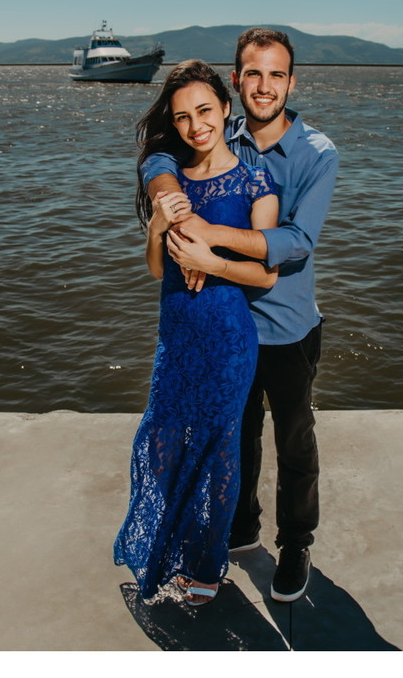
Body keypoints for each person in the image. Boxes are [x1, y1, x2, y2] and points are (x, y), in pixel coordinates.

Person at [140, 28, 338, 602]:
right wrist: (165, 195)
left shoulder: (317, 154)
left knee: (294, 440)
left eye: (276, 74)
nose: (264, 86)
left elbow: (296, 240)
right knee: (236, 437)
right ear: (236, 82)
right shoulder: (217, 129)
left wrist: (208, 237)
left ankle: (296, 543)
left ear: (291, 83)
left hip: (286, 324)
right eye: (254, 73)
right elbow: (163, 150)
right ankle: (241, 529)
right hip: (224, 327)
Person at [114, 59, 279, 606]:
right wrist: (157, 228)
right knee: (162, 444)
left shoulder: (256, 181)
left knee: (217, 454)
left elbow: (267, 274)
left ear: (226, 109)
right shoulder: (172, 180)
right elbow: (155, 270)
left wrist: (212, 261)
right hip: (176, 336)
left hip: (228, 338)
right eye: (182, 117)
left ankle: (207, 570)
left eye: (204, 110)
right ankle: (173, 552)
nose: (195, 125)